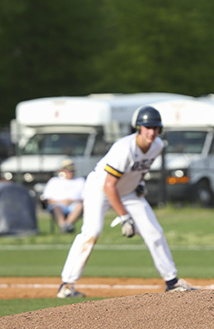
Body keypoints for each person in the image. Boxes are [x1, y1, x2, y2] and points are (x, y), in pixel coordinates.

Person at [56, 106, 196, 298]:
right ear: (138, 128)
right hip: (100, 188)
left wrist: (140, 182)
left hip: (128, 191)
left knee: (154, 231)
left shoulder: (157, 146)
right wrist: (124, 217)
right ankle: (66, 285)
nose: (152, 132)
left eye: (155, 128)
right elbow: (109, 185)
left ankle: (171, 281)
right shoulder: (124, 148)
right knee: (91, 232)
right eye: (147, 127)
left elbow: (140, 169)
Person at [43, 159, 85, 233]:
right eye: (68, 170)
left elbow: (84, 197)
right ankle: (63, 226)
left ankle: (67, 225)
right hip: (58, 205)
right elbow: (48, 199)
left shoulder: (80, 181)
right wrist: (63, 201)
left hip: (75, 205)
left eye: (72, 170)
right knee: (56, 207)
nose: (71, 172)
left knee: (79, 206)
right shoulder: (54, 181)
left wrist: (71, 201)